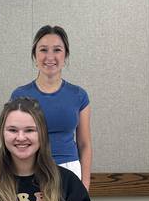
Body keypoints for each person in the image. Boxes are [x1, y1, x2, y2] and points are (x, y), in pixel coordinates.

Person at [11, 25, 92, 189]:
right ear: (35, 55)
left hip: (69, 170)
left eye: (57, 50)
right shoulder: (19, 95)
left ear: (66, 55)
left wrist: (85, 182)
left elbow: (84, 144)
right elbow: (11, 141)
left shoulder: (79, 95)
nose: (50, 56)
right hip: (30, 168)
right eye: (43, 50)